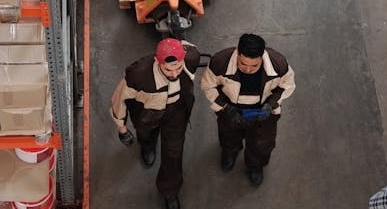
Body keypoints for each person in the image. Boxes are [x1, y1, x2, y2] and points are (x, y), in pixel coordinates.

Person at [110, 38, 200, 209]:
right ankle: (147, 145)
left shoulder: (191, 57)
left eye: (178, 68)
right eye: (168, 70)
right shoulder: (137, 76)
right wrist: (122, 128)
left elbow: (189, 46)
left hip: (176, 113)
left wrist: (176, 41)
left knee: (173, 154)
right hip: (147, 115)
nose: (174, 74)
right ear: (157, 62)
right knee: (146, 135)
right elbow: (119, 99)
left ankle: (170, 191)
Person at [200, 33, 295, 186]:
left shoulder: (279, 64)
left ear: (262, 57)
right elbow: (207, 86)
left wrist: (270, 105)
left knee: (262, 143)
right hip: (231, 109)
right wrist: (226, 107)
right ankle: (230, 152)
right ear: (237, 52)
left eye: (254, 66)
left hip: (263, 113)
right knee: (228, 135)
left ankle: (255, 166)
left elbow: (287, 86)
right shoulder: (220, 62)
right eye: (243, 64)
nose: (248, 69)